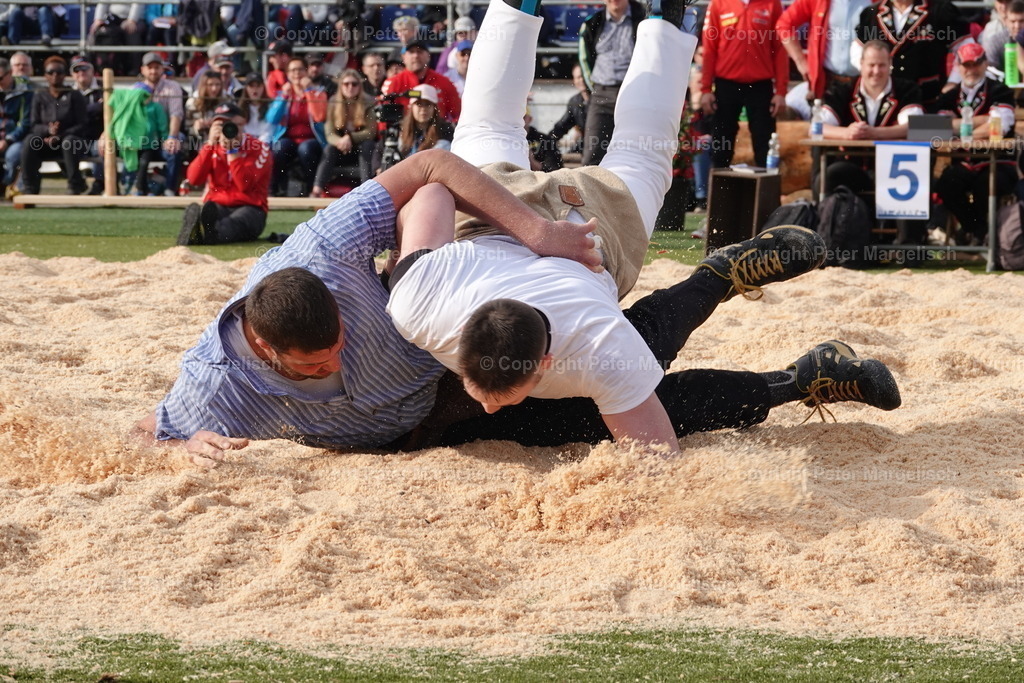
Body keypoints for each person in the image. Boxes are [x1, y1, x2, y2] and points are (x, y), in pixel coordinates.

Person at [385, 0, 900, 455]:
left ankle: (667, 22)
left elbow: (655, 459)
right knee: (492, 127)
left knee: (640, 150)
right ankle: (651, 17)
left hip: (582, 231)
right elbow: (431, 187)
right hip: (498, 212)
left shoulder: (598, 339)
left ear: (543, 361)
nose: (491, 408)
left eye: (489, 396)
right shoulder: (417, 301)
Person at [131, 147, 599, 466]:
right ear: (266, 348)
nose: (334, 362)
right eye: (315, 366)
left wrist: (538, 233)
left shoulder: (322, 251)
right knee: (584, 413)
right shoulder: (214, 384)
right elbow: (142, 437)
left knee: (602, 359)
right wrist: (182, 448)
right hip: (410, 438)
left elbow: (431, 167)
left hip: (455, 363)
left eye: (339, 341)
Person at [934, 42, 1017, 246]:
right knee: (945, 184)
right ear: (958, 66)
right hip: (963, 162)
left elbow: (999, 127)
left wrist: (961, 130)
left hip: (998, 160)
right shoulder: (949, 97)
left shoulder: (1000, 90)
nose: (971, 69)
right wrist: (981, 121)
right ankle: (979, 231)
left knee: (986, 184)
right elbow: (937, 128)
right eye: (966, 64)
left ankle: (978, 234)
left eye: (976, 64)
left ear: (985, 63)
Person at [701, 0, 788, 168]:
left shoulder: (772, 4)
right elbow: (709, 48)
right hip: (726, 85)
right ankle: (719, 193)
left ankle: (765, 193)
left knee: (765, 146)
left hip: (760, 86)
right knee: (721, 147)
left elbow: (780, 48)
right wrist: (705, 88)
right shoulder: (719, 3)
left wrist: (781, 92)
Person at [178, 103, 272, 246]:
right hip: (218, 205)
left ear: (241, 124)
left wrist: (233, 153)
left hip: (250, 207)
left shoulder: (259, 148)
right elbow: (194, 179)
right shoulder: (212, 148)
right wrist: (209, 144)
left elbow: (244, 185)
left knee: (234, 223)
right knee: (210, 213)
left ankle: (201, 234)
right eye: (220, 125)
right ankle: (204, 232)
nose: (225, 129)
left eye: (229, 124)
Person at [855, 0, 970, 105]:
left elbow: (966, 48)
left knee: (923, 127)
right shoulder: (872, 12)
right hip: (886, 99)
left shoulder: (940, 9)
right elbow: (858, 50)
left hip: (928, 98)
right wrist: (872, 77)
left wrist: (953, 82)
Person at [578, 0, 644, 166]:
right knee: (592, 154)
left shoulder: (643, 20)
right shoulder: (592, 22)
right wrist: (592, 88)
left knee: (636, 153)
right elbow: (584, 59)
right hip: (601, 94)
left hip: (633, 94)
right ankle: (589, 191)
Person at [776, 0, 870, 102]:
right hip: (828, 83)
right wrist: (801, 62)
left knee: (864, 118)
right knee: (825, 117)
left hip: (868, 82)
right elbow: (784, 24)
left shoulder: (876, 2)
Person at [19, 56, 87, 196]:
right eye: (51, 72)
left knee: (69, 142)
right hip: (45, 142)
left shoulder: (74, 95)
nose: (55, 75)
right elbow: (34, 124)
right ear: (45, 75)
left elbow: (82, 124)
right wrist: (47, 131)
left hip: (70, 141)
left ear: (64, 75)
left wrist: (60, 136)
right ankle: (29, 187)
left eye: (59, 72)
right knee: (30, 141)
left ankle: (74, 185)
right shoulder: (40, 95)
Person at [311, 69, 378, 197]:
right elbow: (329, 133)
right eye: (346, 84)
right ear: (340, 86)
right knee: (329, 148)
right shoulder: (333, 102)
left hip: (360, 145)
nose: (350, 87)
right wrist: (341, 141)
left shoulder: (369, 102)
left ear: (360, 86)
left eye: (354, 84)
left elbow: (370, 132)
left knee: (368, 145)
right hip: (341, 147)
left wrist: (350, 138)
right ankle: (317, 189)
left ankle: (366, 189)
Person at [267, 57, 327, 197]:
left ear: (306, 72)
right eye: (293, 70)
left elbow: (319, 116)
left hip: (313, 139)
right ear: (288, 74)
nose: (297, 73)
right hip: (289, 138)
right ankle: (277, 190)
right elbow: (271, 119)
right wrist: (284, 97)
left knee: (305, 149)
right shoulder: (285, 94)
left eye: (300, 69)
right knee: (280, 148)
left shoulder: (318, 92)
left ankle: (310, 189)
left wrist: (309, 91)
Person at [135, 51, 184, 196]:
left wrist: (171, 137)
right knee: (129, 145)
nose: (153, 71)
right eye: (149, 67)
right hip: (144, 135)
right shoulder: (136, 89)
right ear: (142, 70)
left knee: (176, 143)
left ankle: (170, 189)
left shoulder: (173, 86)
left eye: (157, 67)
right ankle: (138, 188)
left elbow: (176, 114)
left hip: (166, 133)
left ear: (162, 69)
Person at [381, 40, 462, 123]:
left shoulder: (444, 82)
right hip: (403, 132)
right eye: (411, 52)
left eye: (420, 52)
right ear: (403, 57)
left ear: (428, 56)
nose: (416, 56)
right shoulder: (393, 83)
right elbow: (382, 118)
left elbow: (458, 114)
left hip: (437, 132)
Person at [69, 56, 104, 195]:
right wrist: (95, 107)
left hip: (98, 136)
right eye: (77, 70)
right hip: (77, 137)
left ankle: (100, 183)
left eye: (85, 68)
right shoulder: (67, 92)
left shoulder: (105, 87)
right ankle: (78, 182)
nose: (81, 72)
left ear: (92, 71)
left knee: (106, 147)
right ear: (72, 74)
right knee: (62, 146)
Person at [0, 55, 32, 199]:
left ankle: (7, 185)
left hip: (17, 137)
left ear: (10, 73)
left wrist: (8, 140)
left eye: (0, 78)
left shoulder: (25, 91)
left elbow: (25, 122)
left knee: (13, 156)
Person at [88, 3, 147, 75]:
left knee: (132, 33)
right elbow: (103, 3)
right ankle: (93, 68)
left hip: (132, 19)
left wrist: (132, 20)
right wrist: (98, 19)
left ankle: (134, 69)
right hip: (111, 18)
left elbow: (138, 3)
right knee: (96, 33)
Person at [397, 84, 454, 158]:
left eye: (428, 104)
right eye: (419, 104)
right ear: (411, 107)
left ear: (434, 108)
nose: (423, 109)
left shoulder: (445, 131)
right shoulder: (400, 128)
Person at [548, 63, 590, 157]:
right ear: (574, 80)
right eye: (578, 77)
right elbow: (562, 125)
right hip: (586, 145)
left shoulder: (602, 100)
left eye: (584, 76)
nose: (582, 80)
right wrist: (547, 140)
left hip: (602, 144)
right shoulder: (574, 101)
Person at [185, 70, 226, 147]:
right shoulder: (192, 103)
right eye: (210, 85)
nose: (214, 88)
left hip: (222, 139)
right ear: (203, 85)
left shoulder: (227, 100)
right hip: (198, 141)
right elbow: (187, 128)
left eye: (217, 84)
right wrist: (196, 128)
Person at [239, 72, 272, 144]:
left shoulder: (271, 107)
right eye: (251, 86)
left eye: (258, 86)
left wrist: (258, 144)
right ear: (246, 88)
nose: (255, 89)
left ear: (263, 87)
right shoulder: (240, 109)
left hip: (265, 144)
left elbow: (269, 132)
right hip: (245, 144)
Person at [980, 0, 1012, 66]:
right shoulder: (990, 28)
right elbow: (989, 60)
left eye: (1007, 2)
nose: (1004, 6)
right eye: (1000, 2)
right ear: (995, 4)